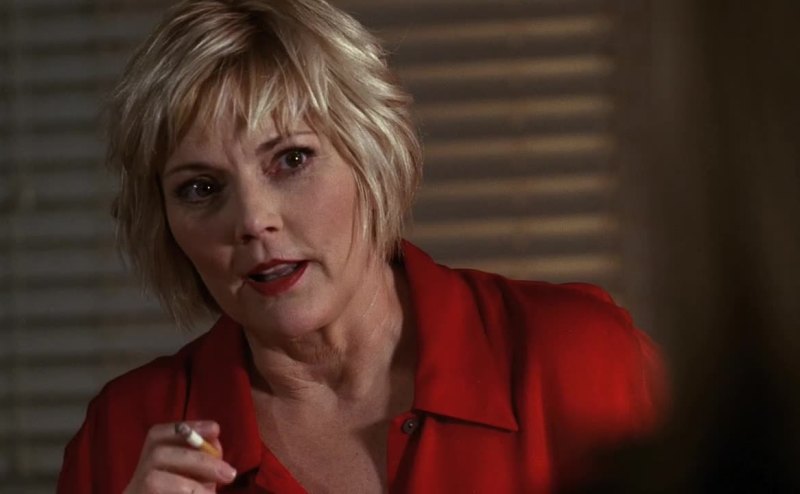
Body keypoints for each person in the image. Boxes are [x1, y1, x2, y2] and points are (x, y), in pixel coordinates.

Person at [57, 0, 665, 492]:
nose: (253, 221)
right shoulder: (123, 433)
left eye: (292, 160)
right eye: (201, 188)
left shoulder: (576, 356)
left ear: (370, 155)